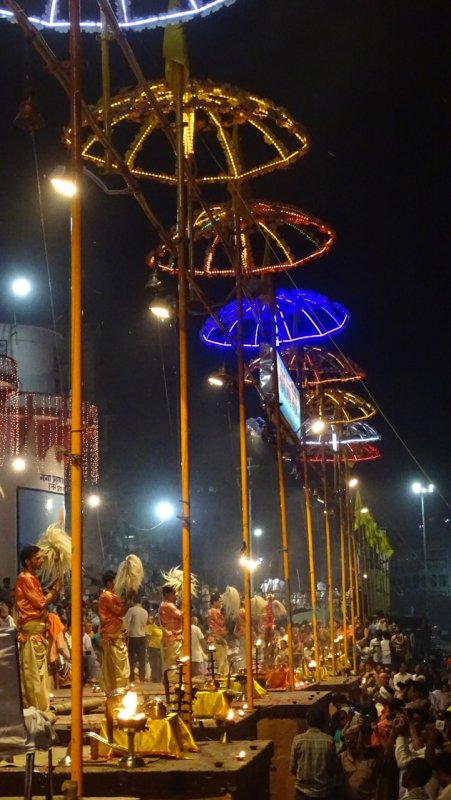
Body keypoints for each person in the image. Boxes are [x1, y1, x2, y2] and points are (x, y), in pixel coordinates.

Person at [14, 545, 62, 711]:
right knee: (34, 676)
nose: (41, 560)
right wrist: (54, 591)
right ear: (28, 561)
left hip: (38, 635)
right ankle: (37, 711)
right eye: (37, 558)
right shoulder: (25, 578)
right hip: (32, 634)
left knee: (40, 675)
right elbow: (40, 602)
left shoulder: (32, 578)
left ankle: (41, 708)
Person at [289, 708, 335, 799]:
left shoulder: (298, 740)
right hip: (324, 792)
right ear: (323, 721)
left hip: (303, 792)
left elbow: (292, 768)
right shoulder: (329, 741)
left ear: (307, 721)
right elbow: (333, 768)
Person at [98, 570, 130, 694]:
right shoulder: (106, 596)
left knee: (120, 668)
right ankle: (116, 694)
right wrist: (130, 598)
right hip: (111, 637)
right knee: (116, 669)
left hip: (117, 636)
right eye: (116, 580)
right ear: (109, 582)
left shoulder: (114, 595)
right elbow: (120, 612)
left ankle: (120, 692)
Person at [124, 595, 148, 683]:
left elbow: (126, 623)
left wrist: (125, 633)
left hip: (133, 636)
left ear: (133, 601)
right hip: (142, 636)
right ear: (140, 602)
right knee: (142, 658)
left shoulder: (131, 610)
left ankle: (132, 677)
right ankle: (142, 677)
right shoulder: (145, 612)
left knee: (131, 658)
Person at [159, 585, 183, 674]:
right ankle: (172, 681)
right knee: (172, 661)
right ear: (167, 594)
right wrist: (184, 604)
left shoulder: (166, 604)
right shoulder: (168, 605)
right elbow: (182, 615)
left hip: (172, 638)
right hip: (173, 638)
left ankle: (171, 681)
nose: (175, 596)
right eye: (173, 594)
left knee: (172, 661)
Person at [208, 593, 228, 675]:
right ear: (214, 602)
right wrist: (226, 615)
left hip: (219, 637)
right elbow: (221, 622)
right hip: (217, 637)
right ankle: (222, 677)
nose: (220, 604)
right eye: (219, 602)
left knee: (223, 660)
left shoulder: (213, 611)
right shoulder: (213, 611)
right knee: (221, 661)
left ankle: (223, 676)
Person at [145, 612, 163, 683]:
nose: (159, 621)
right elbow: (147, 638)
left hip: (161, 649)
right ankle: (155, 679)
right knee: (155, 665)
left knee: (161, 664)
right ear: (156, 620)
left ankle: (159, 678)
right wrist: (147, 648)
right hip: (153, 648)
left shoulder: (162, 628)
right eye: (158, 619)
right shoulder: (151, 627)